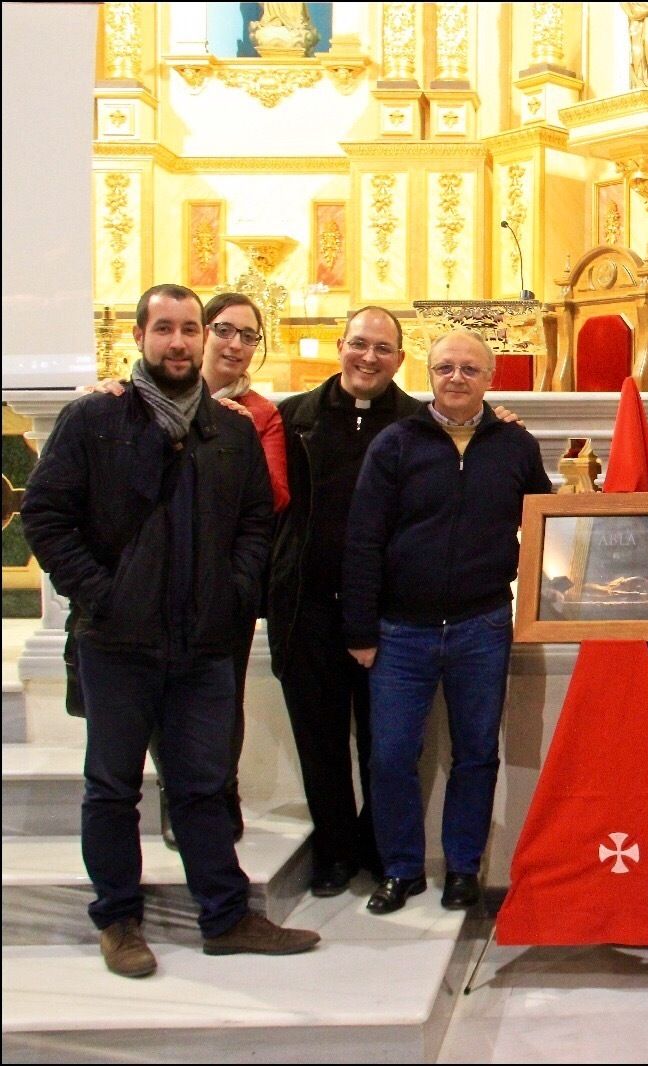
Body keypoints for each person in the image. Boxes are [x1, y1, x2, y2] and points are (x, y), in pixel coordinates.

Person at [21, 283, 320, 977]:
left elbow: (255, 520)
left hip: (205, 642)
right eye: (166, 329)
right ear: (141, 337)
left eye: (190, 329)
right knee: (113, 786)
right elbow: (46, 515)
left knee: (204, 782)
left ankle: (224, 914)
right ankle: (119, 920)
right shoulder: (93, 420)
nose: (180, 342)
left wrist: (235, 593)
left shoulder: (232, 428)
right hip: (117, 643)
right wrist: (102, 594)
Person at [344, 329, 552, 914]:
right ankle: (402, 869)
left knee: (477, 753)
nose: (456, 378)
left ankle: (463, 868)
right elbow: (362, 539)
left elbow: (541, 528)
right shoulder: (395, 444)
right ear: (428, 374)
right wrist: (360, 629)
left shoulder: (515, 446)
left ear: (490, 379)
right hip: (398, 631)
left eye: (469, 369)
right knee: (390, 756)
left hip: (481, 625)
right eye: (444, 368)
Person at [83, 292, 292, 845]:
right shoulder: (115, 407)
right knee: (121, 762)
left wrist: (236, 586)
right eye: (224, 330)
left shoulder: (253, 418)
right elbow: (59, 511)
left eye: (248, 337)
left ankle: (217, 798)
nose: (234, 345)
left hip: (213, 597)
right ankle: (128, 896)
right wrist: (103, 592)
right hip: (129, 608)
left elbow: (263, 502)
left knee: (216, 711)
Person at [268, 305, 422, 898]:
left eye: (383, 349)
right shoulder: (291, 418)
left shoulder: (418, 422)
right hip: (305, 608)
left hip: (388, 614)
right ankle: (334, 852)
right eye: (360, 344)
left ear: (400, 360)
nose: (368, 357)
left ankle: (380, 848)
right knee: (320, 739)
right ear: (340, 345)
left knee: (386, 746)